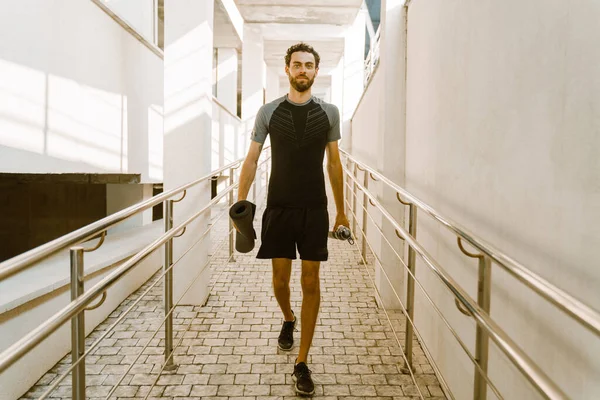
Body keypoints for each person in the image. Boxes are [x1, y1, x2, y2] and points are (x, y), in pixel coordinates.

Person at [236, 42, 349, 396]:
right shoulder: (268, 112)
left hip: (315, 208)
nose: (303, 70)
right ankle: (288, 318)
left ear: (316, 70)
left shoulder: (329, 112)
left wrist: (342, 211)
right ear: (287, 69)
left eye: (309, 65)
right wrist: (240, 204)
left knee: (311, 282)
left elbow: (333, 163)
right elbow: (252, 159)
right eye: (297, 64)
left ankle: (302, 362)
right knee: (281, 281)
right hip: (279, 207)